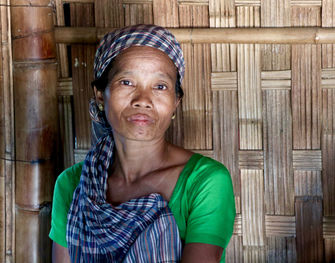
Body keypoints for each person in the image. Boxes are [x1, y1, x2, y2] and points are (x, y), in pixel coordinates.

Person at [49, 24, 235, 263]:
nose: (143, 100)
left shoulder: (205, 182)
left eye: (160, 86)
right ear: (100, 96)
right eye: (127, 82)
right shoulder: (73, 185)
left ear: (176, 102)